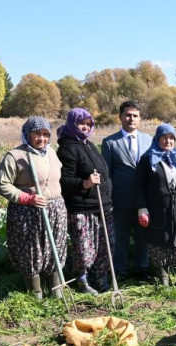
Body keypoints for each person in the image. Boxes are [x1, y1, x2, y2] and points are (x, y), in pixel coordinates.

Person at [0, 116, 68, 299]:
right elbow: (1, 184)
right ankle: (35, 292)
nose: (42, 138)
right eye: (37, 134)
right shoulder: (16, 156)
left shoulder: (51, 153)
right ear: (27, 134)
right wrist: (28, 198)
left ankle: (55, 288)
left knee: (55, 247)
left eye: (45, 134)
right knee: (31, 250)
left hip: (55, 209)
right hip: (28, 212)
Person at [136, 124, 176, 291]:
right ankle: (163, 278)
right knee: (159, 243)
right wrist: (142, 208)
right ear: (157, 139)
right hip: (157, 209)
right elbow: (139, 186)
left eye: (171, 138)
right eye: (164, 137)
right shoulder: (147, 159)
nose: (168, 141)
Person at [57, 108, 113, 295]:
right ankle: (82, 280)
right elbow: (63, 180)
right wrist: (85, 183)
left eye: (89, 124)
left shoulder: (88, 144)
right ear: (72, 124)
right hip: (81, 208)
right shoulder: (67, 148)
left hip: (102, 206)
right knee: (84, 249)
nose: (86, 127)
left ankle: (100, 277)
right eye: (82, 123)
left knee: (104, 247)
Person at [101, 101, 153, 280]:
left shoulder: (149, 140)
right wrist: (108, 198)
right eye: (128, 115)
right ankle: (120, 271)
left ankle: (142, 269)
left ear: (140, 118)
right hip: (120, 198)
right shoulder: (110, 142)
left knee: (143, 236)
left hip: (144, 199)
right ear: (120, 117)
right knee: (120, 237)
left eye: (135, 116)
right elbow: (106, 174)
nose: (131, 119)